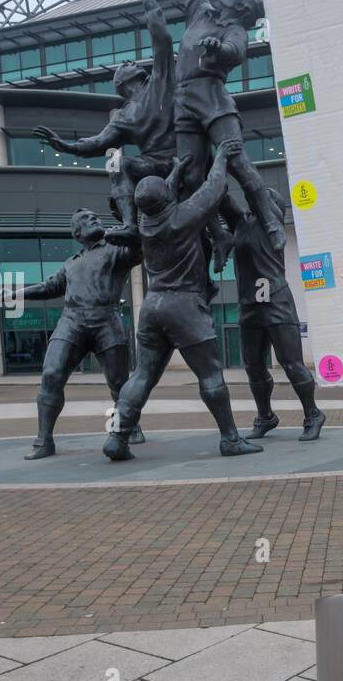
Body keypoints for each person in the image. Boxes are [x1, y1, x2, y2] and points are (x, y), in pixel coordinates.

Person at [102, 137, 261, 461]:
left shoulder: (145, 222)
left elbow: (162, 197)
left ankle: (117, 439)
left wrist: (174, 172)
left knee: (141, 376)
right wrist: (222, 158)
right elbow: (214, 189)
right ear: (166, 198)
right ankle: (230, 439)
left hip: (152, 307)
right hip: (183, 305)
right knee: (210, 374)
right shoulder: (184, 217)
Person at [33, 0, 176, 239]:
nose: (130, 62)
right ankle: (130, 224)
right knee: (114, 160)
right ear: (122, 84)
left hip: (181, 156)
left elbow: (162, 38)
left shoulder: (160, 84)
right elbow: (98, 143)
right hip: (154, 164)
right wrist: (64, 145)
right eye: (125, 64)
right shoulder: (123, 116)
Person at [174, 0, 283, 248]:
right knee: (190, 176)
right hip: (183, 99)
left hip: (212, 98)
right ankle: (220, 230)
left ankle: (269, 220)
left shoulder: (236, 29)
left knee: (236, 160)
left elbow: (235, 52)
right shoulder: (202, 13)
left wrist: (215, 48)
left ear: (242, 4)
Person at [20, 208, 144, 460]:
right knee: (51, 374)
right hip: (72, 321)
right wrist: (15, 294)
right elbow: (48, 287)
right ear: (77, 233)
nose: (95, 219)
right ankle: (44, 440)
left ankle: (127, 429)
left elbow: (139, 248)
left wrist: (127, 220)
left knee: (119, 385)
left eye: (95, 216)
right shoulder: (71, 263)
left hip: (106, 320)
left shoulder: (115, 249)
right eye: (87, 219)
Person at [215, 201, 326, 442]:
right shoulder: (241, 224)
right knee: (253, 366)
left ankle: (313, 414)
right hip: (249, 304)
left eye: (264, 197)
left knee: (291, 363)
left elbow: (254, 192)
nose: (255, 199)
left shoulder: (272, 226)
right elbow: (221, 197)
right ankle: (265, 416)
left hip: (276, 301)